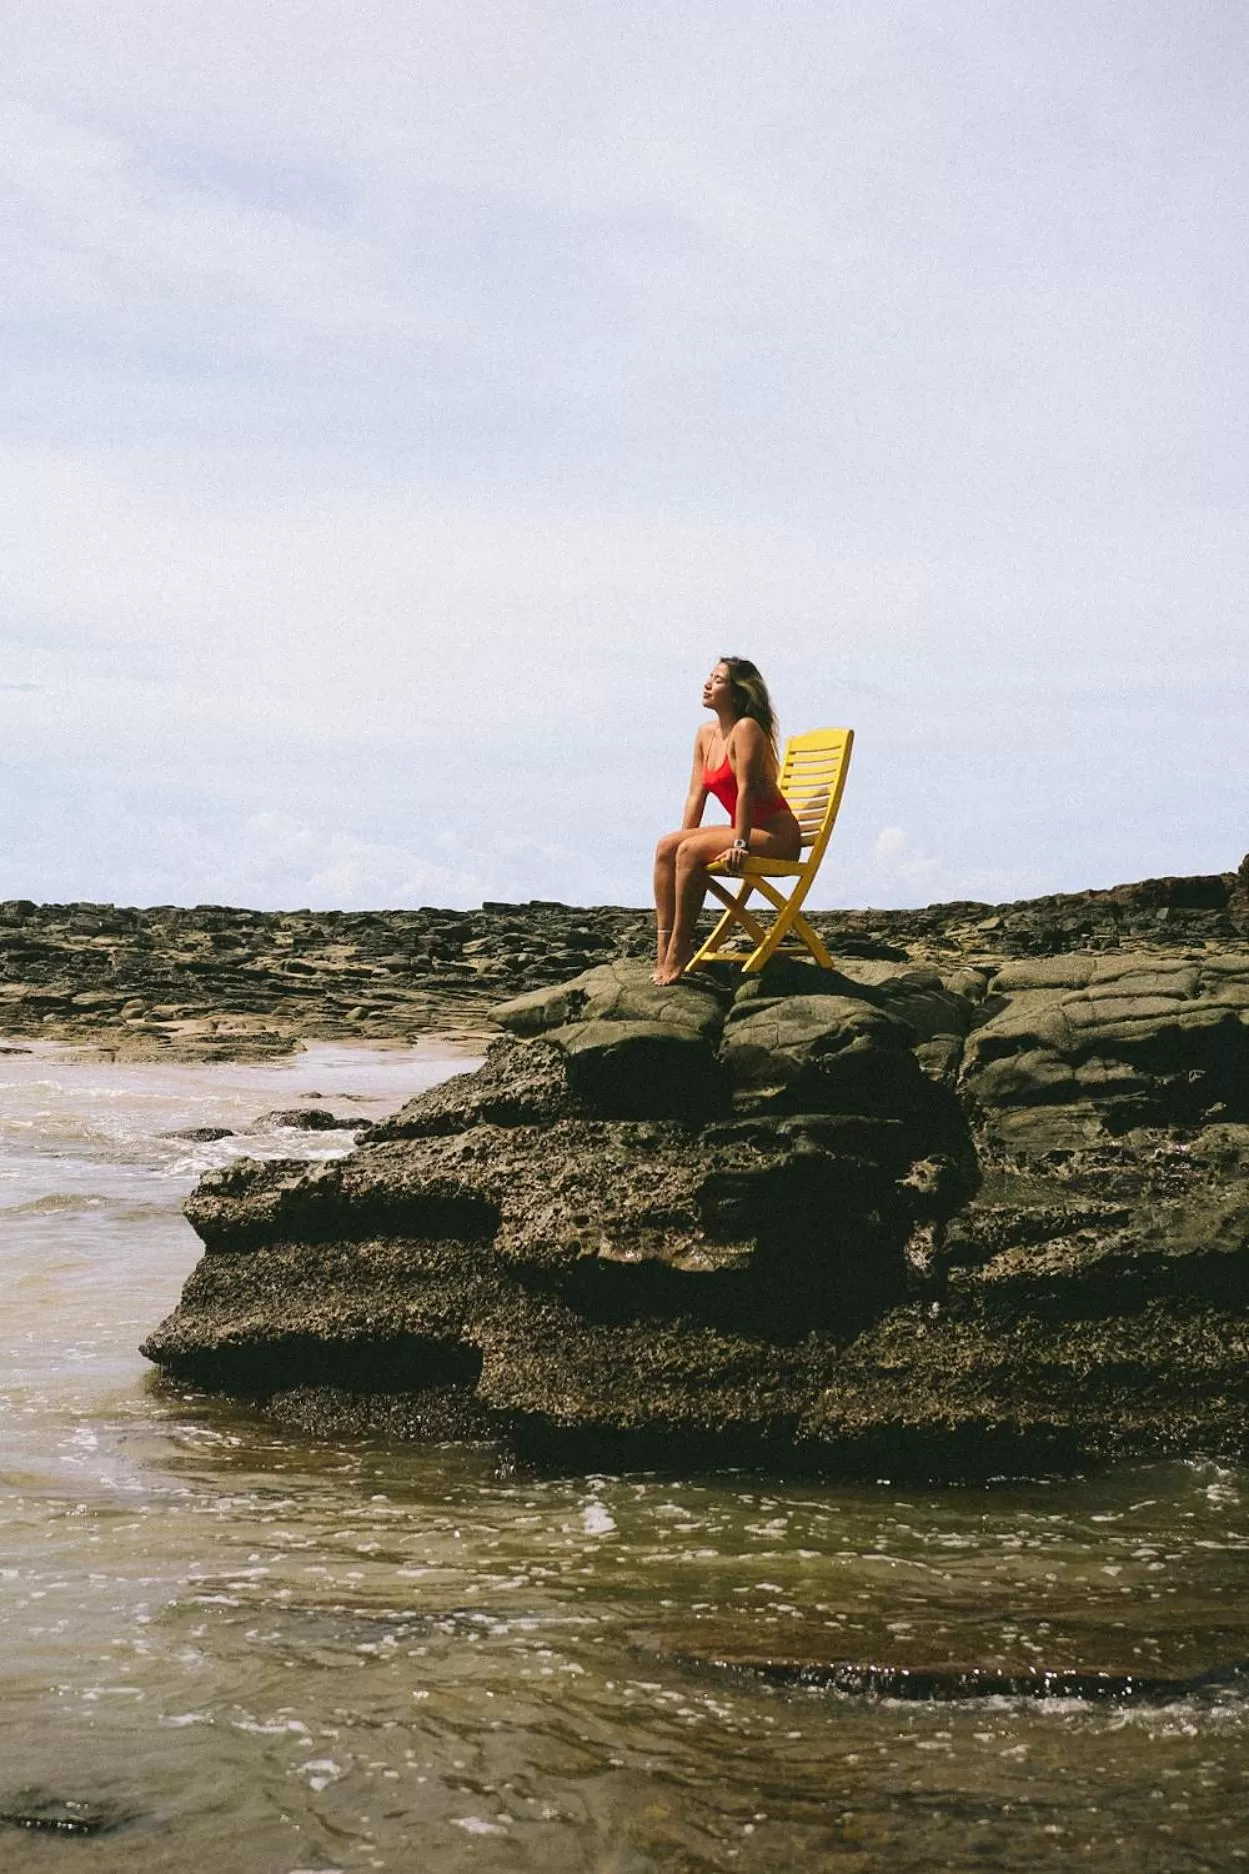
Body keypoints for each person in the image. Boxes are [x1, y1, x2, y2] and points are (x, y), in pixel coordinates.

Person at [652, 657, 800, 984]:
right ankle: (664, 945)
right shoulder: (705, 734)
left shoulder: (746, 729)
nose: (707, 684)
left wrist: (740, 844)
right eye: (710, 676)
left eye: (718, 680)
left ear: (736, 692)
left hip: (776, 835)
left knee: (689, 851)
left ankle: (681, 947)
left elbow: (747, 790)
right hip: (744, 829)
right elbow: (696, 795)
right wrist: (683, 843)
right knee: (667, 847)